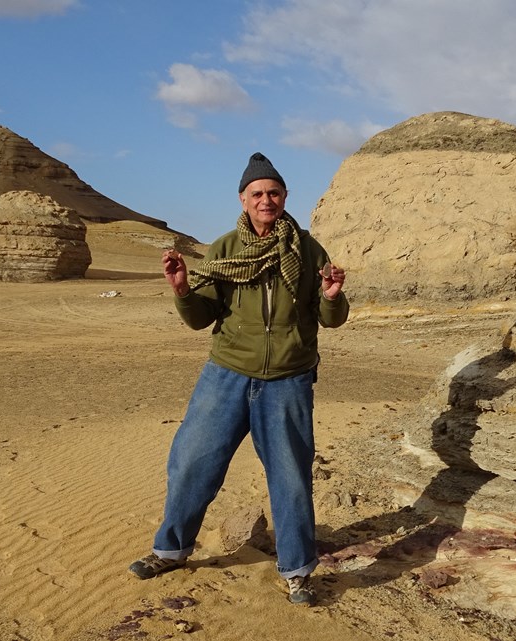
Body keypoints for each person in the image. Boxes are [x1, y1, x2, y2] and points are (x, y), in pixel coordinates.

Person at [128, 152, 349, 607]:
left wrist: (331, 297)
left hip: (287, 380)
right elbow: (200, 318)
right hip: (225, 375)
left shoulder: (308, 250)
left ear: (285, 197)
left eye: (273, 192)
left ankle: (297, 571)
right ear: (243, 200)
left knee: (289, 476)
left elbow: (329, 318)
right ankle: (170, 551)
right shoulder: (226, 249)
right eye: (257, 194)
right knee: (192, 462)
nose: (265, 200)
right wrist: (182, 290)